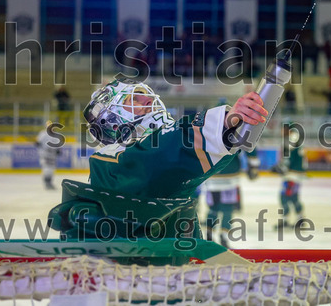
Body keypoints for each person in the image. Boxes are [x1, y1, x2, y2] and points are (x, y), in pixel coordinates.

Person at [47, 77, 267, 262]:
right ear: (113, 122)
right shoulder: (109, 159)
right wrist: (223, 124)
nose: (148, 99)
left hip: (161, 280)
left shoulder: (144, 150)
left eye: (144, 94)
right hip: (136, 286)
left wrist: (227, 131)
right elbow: (155, 159)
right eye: (134, 99)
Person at [203, 150, 260, 248]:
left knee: (213, 208)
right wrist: (253, 165)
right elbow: (249, 145)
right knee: (227, 209)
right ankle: (223, 237)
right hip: (230, 172)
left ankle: (209, 236)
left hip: (212, 171)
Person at [272, 123, 307, 229]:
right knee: (294, 197)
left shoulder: (289, 140)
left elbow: (287, 159)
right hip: (297, 175)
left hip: (291, 175)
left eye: (284, 128)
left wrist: (280, 168)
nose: (282, 131)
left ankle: (285, 221)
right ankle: (300, 219)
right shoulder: (297, 140)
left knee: (284, 197)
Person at [35, 121, 61, 190]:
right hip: (45, 154)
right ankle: (47, 182)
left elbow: (58, 146)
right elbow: (38, 142)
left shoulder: (56, 135)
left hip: (52, 155)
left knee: (51, 169)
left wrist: (58, 150)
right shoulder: (43, 134)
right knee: (46, 169)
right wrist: (38, 144)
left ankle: (49, 182)